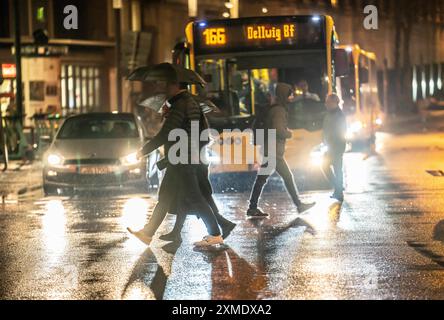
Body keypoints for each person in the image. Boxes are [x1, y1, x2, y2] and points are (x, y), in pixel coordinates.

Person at [128, 80, 231, 248]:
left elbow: (165, 135)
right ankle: (148, 233)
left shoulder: (181, 104)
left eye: (168, 85)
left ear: (175, 86)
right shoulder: (188, 103)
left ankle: (215, 233)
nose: (165, 87)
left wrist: (142, 151)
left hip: (183, 158)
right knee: (165, 197)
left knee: (195, 197)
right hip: (182, 157)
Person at [247, 83, 316, 218]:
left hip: (271, 150)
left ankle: (252, 207)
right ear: (284, 95)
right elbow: (278, 130)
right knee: (286, 177)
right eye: (290, 94)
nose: (292, 97)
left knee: (263, 179)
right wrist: (288, 133)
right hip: (273, 151)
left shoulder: (276, 109)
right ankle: (299, 205)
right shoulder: (279, 110)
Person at [321, 94, 347, 202]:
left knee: (335, 168)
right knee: (329, 167)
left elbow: (339, 131)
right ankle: (338, 189)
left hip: (336, 146)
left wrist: (330, 140)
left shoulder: (338, 115)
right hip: (331, 146)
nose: (326, 104)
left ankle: (338, 191)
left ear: (334, 103)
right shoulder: (329, 114)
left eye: (328, 102)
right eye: (326, 102)